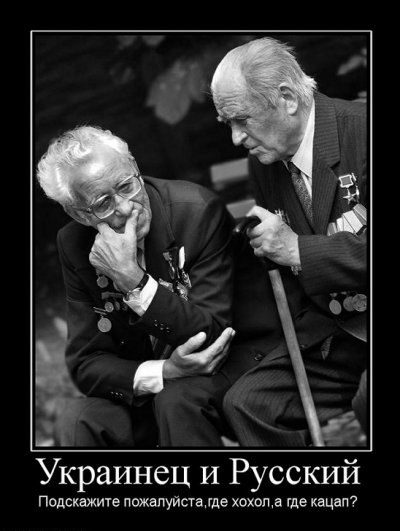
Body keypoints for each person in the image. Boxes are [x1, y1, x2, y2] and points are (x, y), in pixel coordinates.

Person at [37, 125, 239, 448]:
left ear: (134, 165)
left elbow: (211, 336)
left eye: (126, 186)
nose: (126, 207)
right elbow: (86, 363)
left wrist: (132, 279)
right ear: (79, 214)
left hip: (221, 375)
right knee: (76, 419)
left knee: (177, 400)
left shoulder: (195, 211)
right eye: (103, 203)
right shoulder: (74, 243)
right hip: (153, 390)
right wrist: (164, 371)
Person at [211, 36, 368, 446]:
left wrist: (298, 249)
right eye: (227, 123)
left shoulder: (363, 131)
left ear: (287, 98)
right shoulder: (266, 162)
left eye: (241, 119)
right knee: (246, 404)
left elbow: (296, 249)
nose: (236, 138)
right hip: (336, 331)